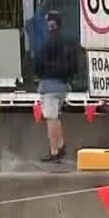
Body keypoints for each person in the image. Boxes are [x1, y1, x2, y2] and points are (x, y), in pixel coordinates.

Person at [34, 11, 78, 162]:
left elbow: (38, 64)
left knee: (50, 118)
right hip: (63, 86)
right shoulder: (68, 41)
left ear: (50, 24)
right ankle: (60, 145)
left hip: (49, 86)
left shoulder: (47, 42)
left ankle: (54, 151)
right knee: (56, 116)